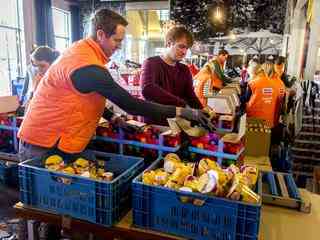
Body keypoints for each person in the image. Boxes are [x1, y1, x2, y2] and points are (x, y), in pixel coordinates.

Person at [18, 9, 213, 162]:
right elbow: (132, 104)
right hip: (44, 143)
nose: (119, 46)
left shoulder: (83, 54)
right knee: (50, 207)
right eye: (117, 40)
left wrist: (113, 118)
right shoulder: (87, 65)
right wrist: (183, 111)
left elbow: (82, 97)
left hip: (55, 140)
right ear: (101, 34)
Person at [141, 26, 203, 125]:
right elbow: (148, 89)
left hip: (179, 123)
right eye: (181, 46)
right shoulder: (151, 63)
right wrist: (182, 105)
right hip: (156, 125)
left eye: (187, 48)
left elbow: (190, 95)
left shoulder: (184, 69)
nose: (184, 52)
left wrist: (202, 112)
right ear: (169, 44)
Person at [246, 62, 282, 128]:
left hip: (255, 118)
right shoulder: (274, 83)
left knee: (254, 137)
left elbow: (247, 99)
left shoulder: (253, 83)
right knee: (265, 137)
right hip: (270, 118)